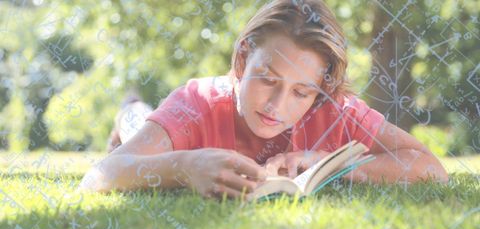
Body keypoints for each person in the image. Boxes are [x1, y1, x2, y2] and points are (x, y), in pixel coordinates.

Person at [79, 0, 448, 200]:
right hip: (167, 126)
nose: (277, 105)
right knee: (135, 125)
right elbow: (99, 176)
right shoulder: (196, 103)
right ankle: (130, 110)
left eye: (301, 92)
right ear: (242, 60)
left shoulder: (334, 109)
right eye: (268, 80)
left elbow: (431, 169)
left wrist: (335, 166)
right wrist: (184, 167)